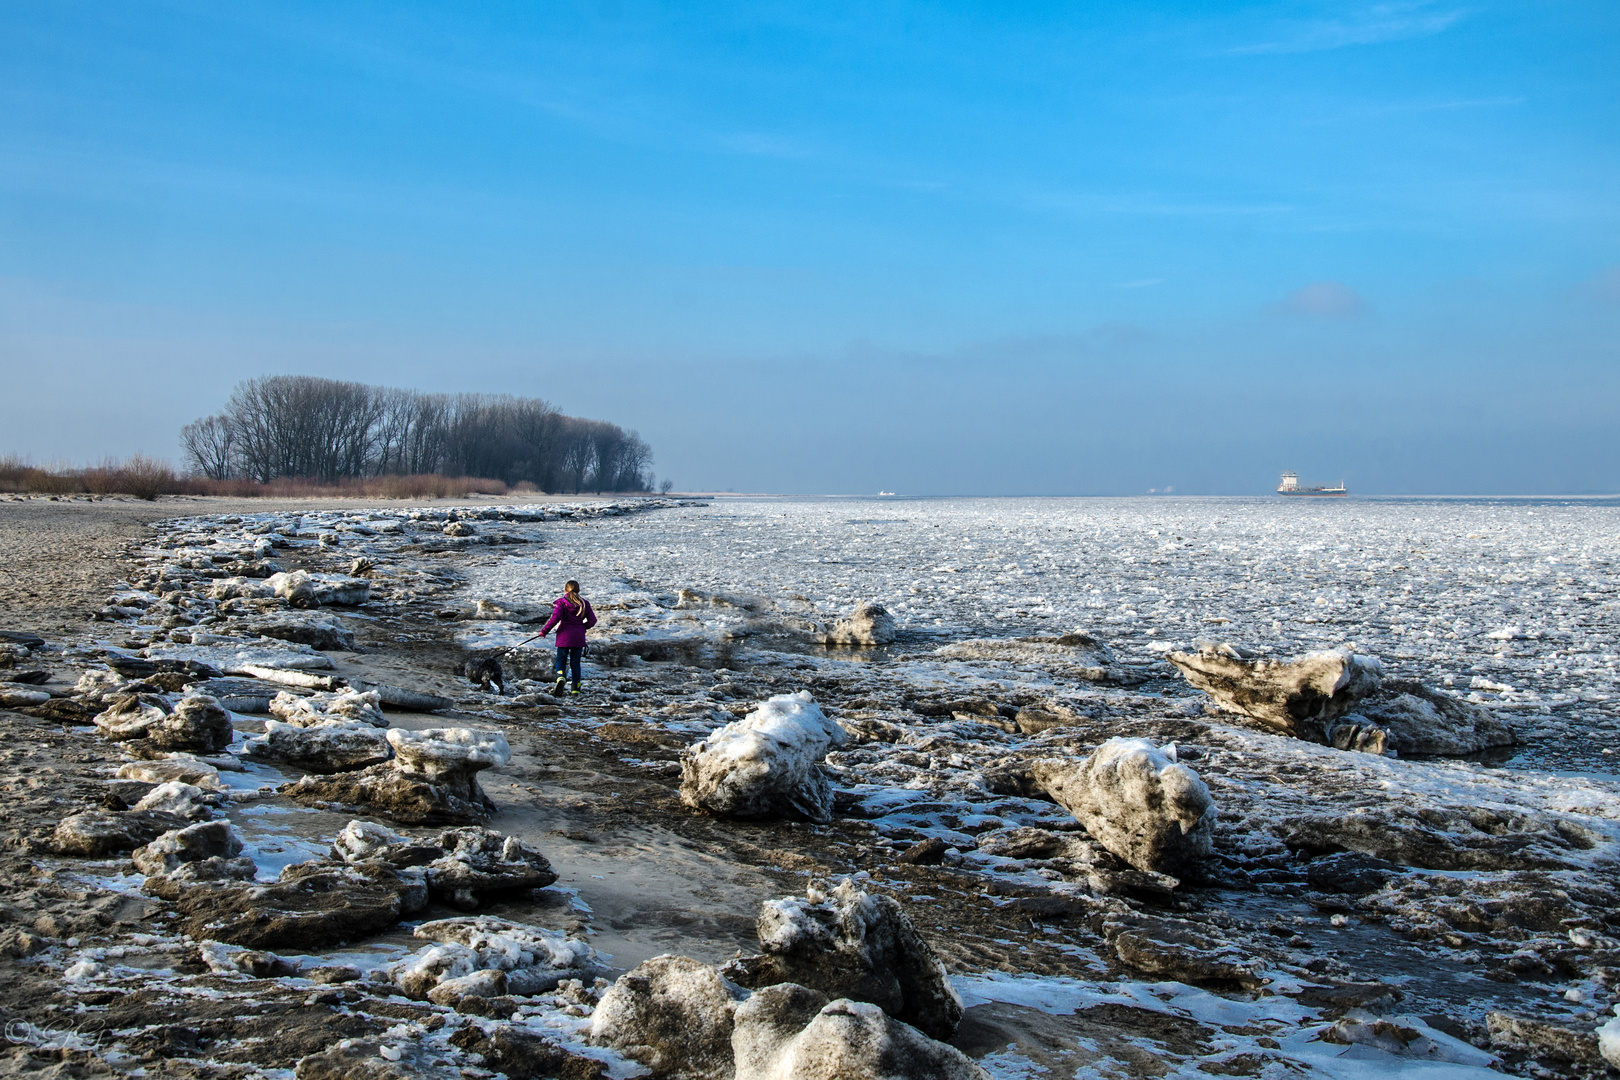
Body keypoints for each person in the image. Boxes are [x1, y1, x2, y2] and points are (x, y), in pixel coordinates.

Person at [539, 579, 596, 695]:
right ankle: (576, 689)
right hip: (578, 637)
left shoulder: (561, 603)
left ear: (565, 590)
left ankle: (560, 676)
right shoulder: (584, 603)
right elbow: (593, 620)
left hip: (564, 635)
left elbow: (555, 618)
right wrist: (583, 627)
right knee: (575, 663)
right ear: (578, 590)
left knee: (561, 659)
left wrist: (544, 631)